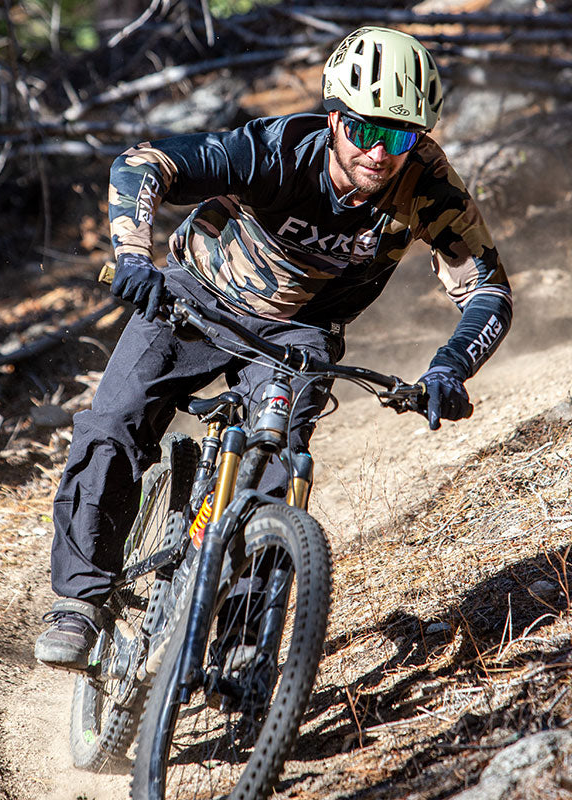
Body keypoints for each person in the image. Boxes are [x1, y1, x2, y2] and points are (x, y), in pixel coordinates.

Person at [35, 26, 512, 670]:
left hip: (297, 336)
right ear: (334, 117)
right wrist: (131, 256)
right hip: (196, 297)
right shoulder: (275, 151)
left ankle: (241, 651)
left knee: (276, 467)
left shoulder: (429, 187)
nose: (379, 153)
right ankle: (81, 604)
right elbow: (142, 164)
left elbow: (488, 293)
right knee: (114, 423)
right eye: (365, 130)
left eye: (399, 136)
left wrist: (450, 368)